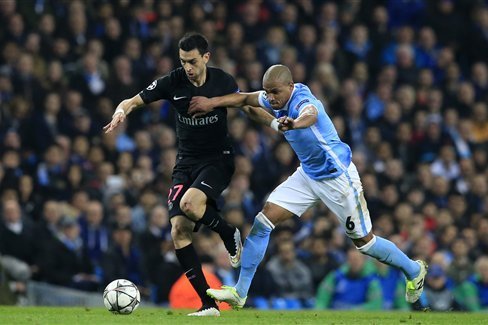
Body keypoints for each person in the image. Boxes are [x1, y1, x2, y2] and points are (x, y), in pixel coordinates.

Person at [189, 64, 428, 308]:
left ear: (290, 87)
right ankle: (240, 293)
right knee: (263, 220)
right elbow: (243, 99)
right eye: (267, 92)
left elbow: (310, 114)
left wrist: (294, 123)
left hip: (338, 178)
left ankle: (413, 270)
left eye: (275, 92)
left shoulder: (302, 100)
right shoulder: (275, 99)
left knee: (365, 243)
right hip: (308, 175)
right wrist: (211, 103)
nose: (271, 97)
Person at [103, 33, 247, 316]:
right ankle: (209, 305)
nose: (188, 68)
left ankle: (229, 233)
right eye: (183, 62)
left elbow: (245, 103)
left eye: (192, 61)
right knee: (178, 230)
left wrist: (275, 122)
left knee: (190, 205)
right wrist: (122, 111)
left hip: (218, 159)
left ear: (206, 57)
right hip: (186, 161)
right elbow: (133, 100)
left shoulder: (224, 81)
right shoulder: (173, 81)